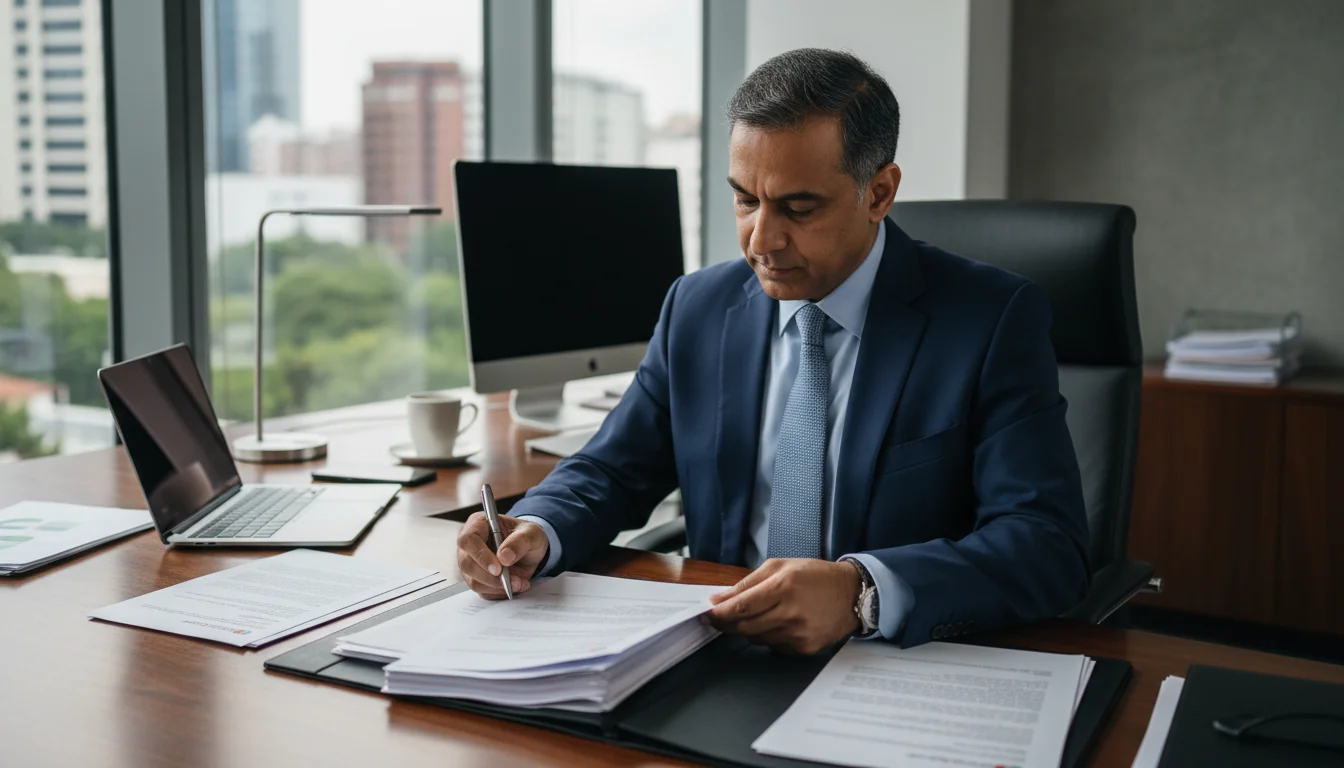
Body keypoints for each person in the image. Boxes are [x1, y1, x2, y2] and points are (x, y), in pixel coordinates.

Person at [456, 48, 1090, 653]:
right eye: (745, 200)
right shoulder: (697, 308)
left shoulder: (990, 318)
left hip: (890, 659)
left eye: (798, 208)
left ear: (878, 193)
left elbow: (1046, 545)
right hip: (713, 649)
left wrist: (862, 594)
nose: (761, 240)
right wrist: (536, 528)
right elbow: (613, 469)